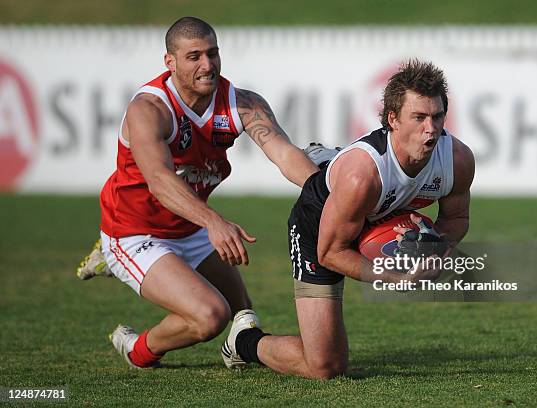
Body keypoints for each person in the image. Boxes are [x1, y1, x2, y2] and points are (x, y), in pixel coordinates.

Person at [221, 59, 475, 379]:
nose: (431, 128)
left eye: (438, 117)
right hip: (319, 226)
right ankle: (243, 341)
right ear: (393, 120)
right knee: (326, 367)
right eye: (419, 117)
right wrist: (394, 277)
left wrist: (437, 251)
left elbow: (457, 218)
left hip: (374, 214)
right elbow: (330, 252)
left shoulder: (457, 158)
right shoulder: (364, 174)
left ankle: (327, 161)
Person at [94, 16, 320, 369]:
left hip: (189, 226)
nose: (207, 65)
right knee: (210, 316)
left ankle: (235, 351)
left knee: (242, 314)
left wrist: (324, 191)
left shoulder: (242, 103)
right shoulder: (149, 109)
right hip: (135, 231)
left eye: (212, 53)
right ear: (170, 62)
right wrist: (214, 222)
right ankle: (137, 348)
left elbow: (285, 154)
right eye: (194, 56)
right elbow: (159, 180)